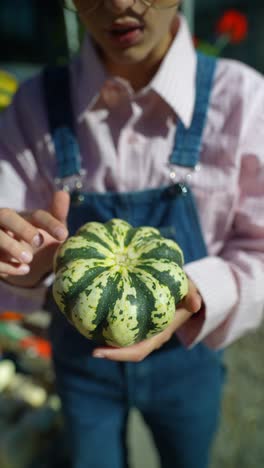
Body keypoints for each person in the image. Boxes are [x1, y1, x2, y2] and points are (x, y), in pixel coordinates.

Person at [0, 1, 264, 467]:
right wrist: (21, 266)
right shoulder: (33, 107)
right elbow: (13, 245)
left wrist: (197, 292)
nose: (121, 2)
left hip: (189, 358)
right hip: (82, 368)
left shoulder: (244, 100)